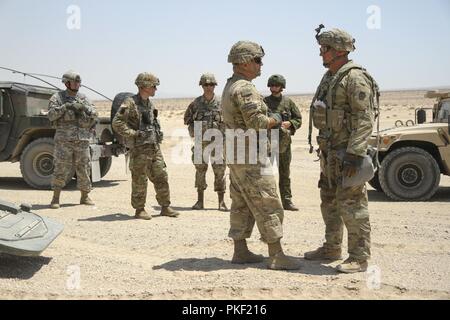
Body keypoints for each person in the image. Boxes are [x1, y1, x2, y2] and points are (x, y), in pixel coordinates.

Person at [305, 26, 379, 273]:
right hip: (329, 153)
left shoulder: (354, 77)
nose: (320, 54)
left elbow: (364, 118)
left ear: (338, 50)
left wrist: (355, 154)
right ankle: (331, 247)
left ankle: (359, 257)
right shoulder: (330, 77)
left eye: (323, 49)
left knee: (353, 205)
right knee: (329, 202)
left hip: (347, 155)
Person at [221, 41, 300, 270]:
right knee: (268, 200)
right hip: (250, 155)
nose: (260, 64)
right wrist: (276, 119)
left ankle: (240, 250)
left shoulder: (230, 86)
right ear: (244, 61)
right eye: (257, 60)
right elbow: (256, 122)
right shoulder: (244, 88)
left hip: (237, 153)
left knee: (241, 202)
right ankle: (276, 255)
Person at [112, 72, 180, 220]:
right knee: (139, 179)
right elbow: (117, 123)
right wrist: (133, 133)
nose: (155, 88)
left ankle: (165, 206)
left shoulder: (149, 103)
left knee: (161, 176)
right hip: (139, 149)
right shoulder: (129, 103)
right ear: (144, 86)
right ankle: (139, 209)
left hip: (154, 147)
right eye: (153, 86)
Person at [48, 70, 98, 209]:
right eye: (75, 82)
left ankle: (85, 196)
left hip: (82, 140)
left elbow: (95, 114)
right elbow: (51, 115)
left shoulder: (84, 98)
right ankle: (56, 198)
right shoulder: (57, 97)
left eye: (78, 82)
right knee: (61, 167)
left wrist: (84, 109)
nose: (77, 84)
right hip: (64, 140)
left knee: (84, 167)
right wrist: (66, 107)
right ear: (66, 83)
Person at [184, 73, 228, 211]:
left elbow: (230, 121)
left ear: (215, 86)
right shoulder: (195, 104)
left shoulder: (222, 104)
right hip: (200, 143)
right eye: (206, 85)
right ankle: (200, 201)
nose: (209, 87)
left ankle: (221, 202)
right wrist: (194, 131)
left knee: (220, 171)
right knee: (200, 171)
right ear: (202, 86)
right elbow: (187, 120)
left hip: (218, 143)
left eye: (211, 84)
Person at [263, 74, 302, 211]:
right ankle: (268, 201)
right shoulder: (264, 102)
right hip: (268, 142)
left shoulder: (288, 102)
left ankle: (287, 201)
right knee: (267, 173)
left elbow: (298, 119)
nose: (274, 88)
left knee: (285, 173)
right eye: (272, 85)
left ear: (282, 87)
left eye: (277, 85)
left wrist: (290, 123)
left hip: (284, 143)